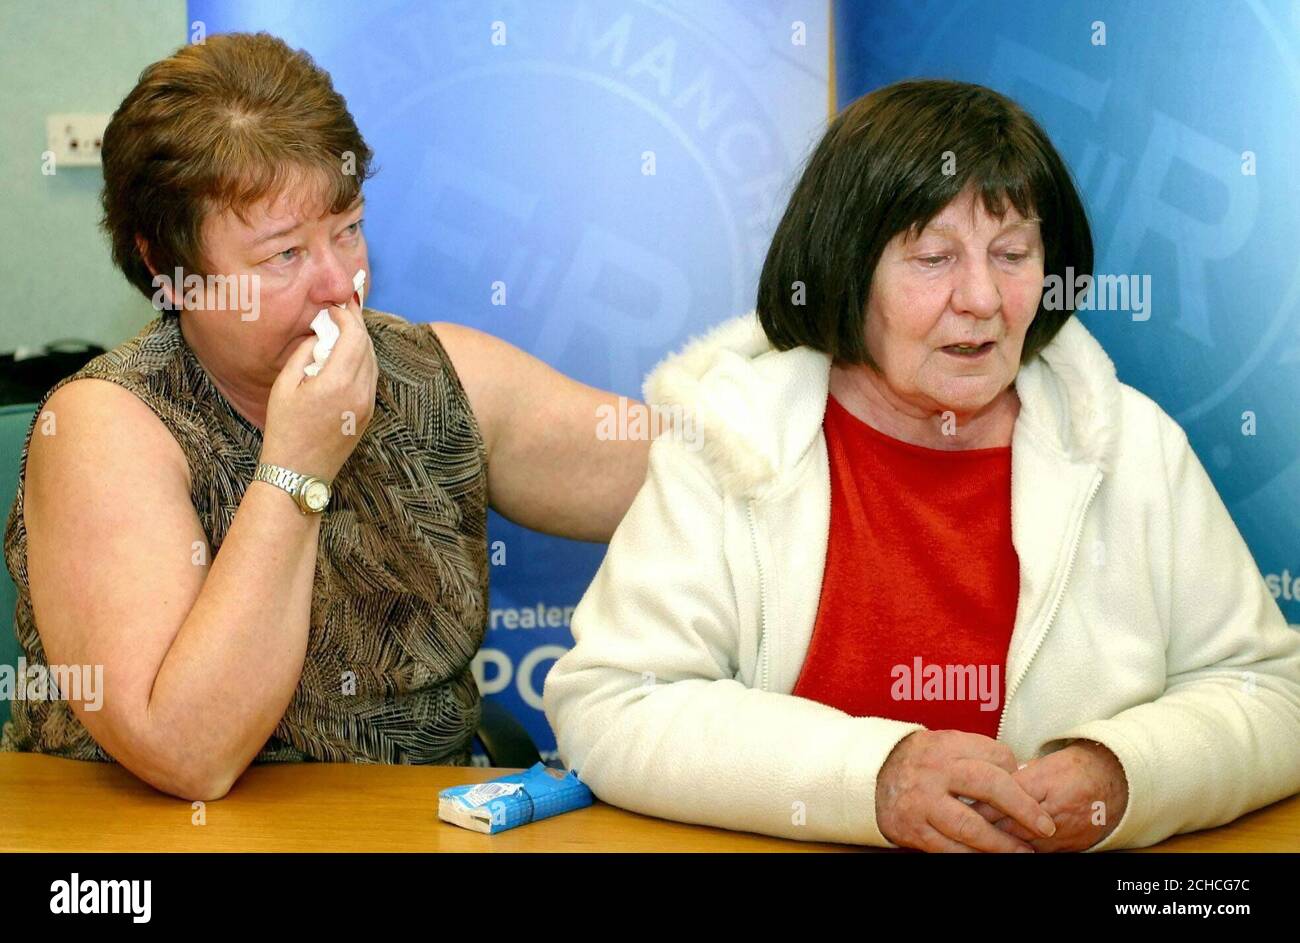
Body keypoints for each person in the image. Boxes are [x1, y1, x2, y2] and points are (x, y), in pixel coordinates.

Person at [543, 79, 1300, 852]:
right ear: (845, 265)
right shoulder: (730, 439)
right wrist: (871, 777)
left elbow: (1275, 695)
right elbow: (614, 703)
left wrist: (1127, 774)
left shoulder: (1132, 446)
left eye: (1013, 254)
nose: (982, 297)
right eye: (934, 257)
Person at [0, 32, 649, 800]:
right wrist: (297, 468)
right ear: (165, 267)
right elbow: (188, 753)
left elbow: (690, 473)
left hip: (423, 828)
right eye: (284, 255)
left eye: (347, 229)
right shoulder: (102, 429)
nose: (342, 283)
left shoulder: (432, 375)